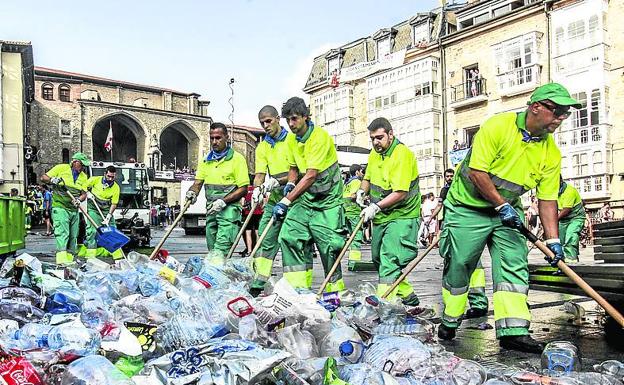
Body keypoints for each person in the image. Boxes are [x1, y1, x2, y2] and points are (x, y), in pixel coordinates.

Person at [437, 83, 581, 353]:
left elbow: (547, 199)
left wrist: (553, 240)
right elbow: (477, 173)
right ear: (536, 107)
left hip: (506, 211)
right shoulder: (498, 127)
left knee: (514, 263)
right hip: (468, 207)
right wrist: (501, 205)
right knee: (461, 263)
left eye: (566, 114)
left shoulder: (551, 152)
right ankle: (450, 318)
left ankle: (514, 330)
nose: (561, 118)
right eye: (558, 111)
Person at [274, 97, 346, 292]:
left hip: (328, 201)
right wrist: (290, 182)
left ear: (305, 117)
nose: (291, 124)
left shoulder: (319, 138)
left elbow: (312, 175)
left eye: (295, 118)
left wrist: (286, 200)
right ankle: (297, 289)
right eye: (288, 120)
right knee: (290, 236)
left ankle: (334, 292)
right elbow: (293, 167)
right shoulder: (291, 139)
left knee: (330, 246)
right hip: (306, 199)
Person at [357, 117, 421, 305]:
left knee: (389, 261)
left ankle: (384, 305)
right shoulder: (374, 154)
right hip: (383, 216)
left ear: (390, 134)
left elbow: (400, 193)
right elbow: (367, 177)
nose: (376, 142)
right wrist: (362, 190)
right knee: (378, 259)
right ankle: (407, 294)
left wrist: (375, 207)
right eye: (372, 139)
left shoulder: (402, 155)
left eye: (379, 137)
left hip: (402, 215)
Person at [248, 105, 302, 295]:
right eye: (262, 123)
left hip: (294, 198)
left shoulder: (293, 140)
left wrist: (275, 182)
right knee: (265, 237)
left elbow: (297, 172)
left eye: (268, 121)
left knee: (290, 240)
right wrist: (257, 190)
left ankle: (294, 286)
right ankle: (259, 282)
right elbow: (260, 174)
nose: (265, 125)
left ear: (278, 119)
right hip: (275, 199)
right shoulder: (262, 146)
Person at [185, 122, 249, 255]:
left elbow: (243, 189)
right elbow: (197, 183)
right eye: (212, 138)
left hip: (229, 211)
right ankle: (217, 273)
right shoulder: (205, 160)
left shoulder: (237, 159)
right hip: (211, 210)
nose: (214, 141)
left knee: (221, 250)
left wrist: (224, 201)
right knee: (212, 250)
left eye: (218, 138)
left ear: (227, 137)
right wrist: (192, 192)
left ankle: (216, 271)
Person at [40, 152, 90, 265]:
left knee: (73, 236)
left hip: (73, 209)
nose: (83, 168)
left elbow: (84, 194)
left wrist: (79, 200)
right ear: (74, 162)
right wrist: (52, 180)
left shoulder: (83, 177)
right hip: (60, 207)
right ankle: (62, 261)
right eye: (81, 165)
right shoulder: (61, 168)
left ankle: (70, 261)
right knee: (63, 233)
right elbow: (43, 177)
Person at [84, 165, 122, 259]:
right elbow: (83, 186)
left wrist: (109, 216)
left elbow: (114, 203)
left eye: (112, 177)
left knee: (112, 230)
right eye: (108, 176)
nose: (110, 179)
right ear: (105, 174)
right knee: (92, 230)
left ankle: (118, 257)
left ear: (115, 176)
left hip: (106, 209)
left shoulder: (116, 188)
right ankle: (90, 256)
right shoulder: (95, 180)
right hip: (93, 208)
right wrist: (87, 193)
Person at [558, 178, 586, 263]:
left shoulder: (569, 191)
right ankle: (567, 258)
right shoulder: (551, 191)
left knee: (571, 235)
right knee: (561, 240)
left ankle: (571, 259)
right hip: (563, 219)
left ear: (560, 181)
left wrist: (554, 220)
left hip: (576, 217)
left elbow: (566, 209)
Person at [343, 164, 365, 267]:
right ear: (357, 172)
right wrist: (362, 199)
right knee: (357, 236)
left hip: (346, 212)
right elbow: (353, 195)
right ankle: (355, 261)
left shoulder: (347, 182)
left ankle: (352, 260)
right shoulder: (357, 181)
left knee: (352, 237)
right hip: (354, 212)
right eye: (361, 171)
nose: (362, 174)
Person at [241, 176, 263, 258]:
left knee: (248, 233)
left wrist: (243, 207)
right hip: (258, 212)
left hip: (248, 213)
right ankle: (257, 250)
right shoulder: (258, 189)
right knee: (257, 232)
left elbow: (242, 202)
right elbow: (264, 201)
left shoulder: (245, 189)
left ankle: (249, 251)